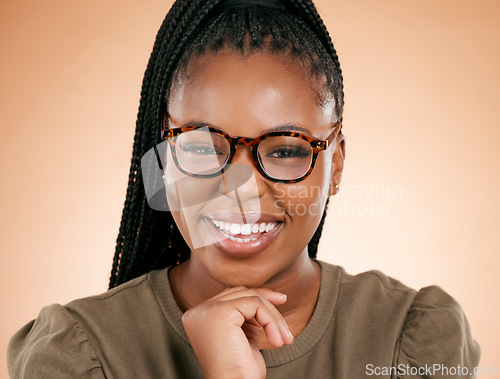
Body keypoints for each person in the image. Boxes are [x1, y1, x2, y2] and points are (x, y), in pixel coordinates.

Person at [7, 0, 480, 377]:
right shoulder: (78, 354)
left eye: (285, 149)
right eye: (201, 148)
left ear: (335, 165)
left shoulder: (410, 341)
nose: (242, 189)